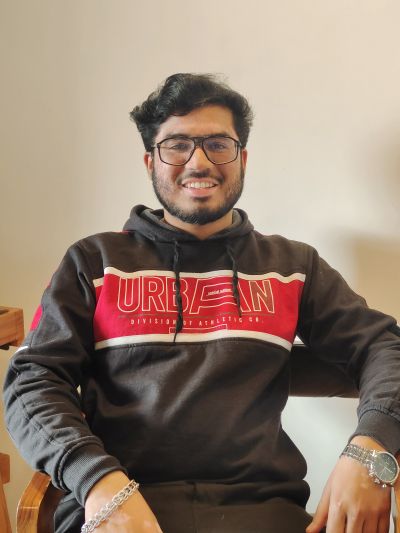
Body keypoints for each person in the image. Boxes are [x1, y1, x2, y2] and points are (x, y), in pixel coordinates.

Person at [3, 73, 400, 533]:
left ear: (242, 159)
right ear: (150, 161)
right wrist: (96, 482)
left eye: (217, 144)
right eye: (177, 145)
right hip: (120, 508)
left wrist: (371, 450)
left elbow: (384, 347)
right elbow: (32, 382)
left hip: (263, 512)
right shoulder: (93, 261)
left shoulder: (293, 266)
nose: (199, 162)